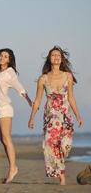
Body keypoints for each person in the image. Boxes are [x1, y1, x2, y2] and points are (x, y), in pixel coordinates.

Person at [28, 46, 84, 185]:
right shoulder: (43, 78)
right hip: (51, 117)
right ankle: (61, 176)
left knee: (64, 146)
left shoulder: (68, 76)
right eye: (53, 55)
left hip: (65, 116)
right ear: (49, 59)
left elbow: (71, 98)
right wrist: (32, 117)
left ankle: (60, 167)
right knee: (49, 144)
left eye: (58, 55)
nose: (56, 57)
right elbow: (38, 100)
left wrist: (78, 115)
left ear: (61, 59)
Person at [0, 36, 32, 183]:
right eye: (1, 55)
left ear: (9, 59)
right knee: (2, 140)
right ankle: (12, 166)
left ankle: (13, 168)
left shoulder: (10, 72)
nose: (2, 57)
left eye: (6, 56)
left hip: (5, 109)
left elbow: (19, 86)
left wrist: (29, 100)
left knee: (7, 138)